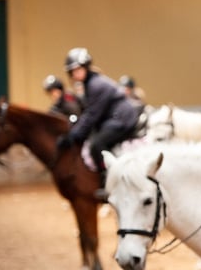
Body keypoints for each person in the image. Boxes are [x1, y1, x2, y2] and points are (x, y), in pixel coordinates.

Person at [55, 47, 140, 201]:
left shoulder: (96, 85)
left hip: (121, 118)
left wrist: (73, 136)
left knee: (97, 145)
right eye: (73, 71)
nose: (75, 74)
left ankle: (109, 180)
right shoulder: (90, 84)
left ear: (86, 67)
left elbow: (92, 115)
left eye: (78, 69)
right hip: (114, 117)